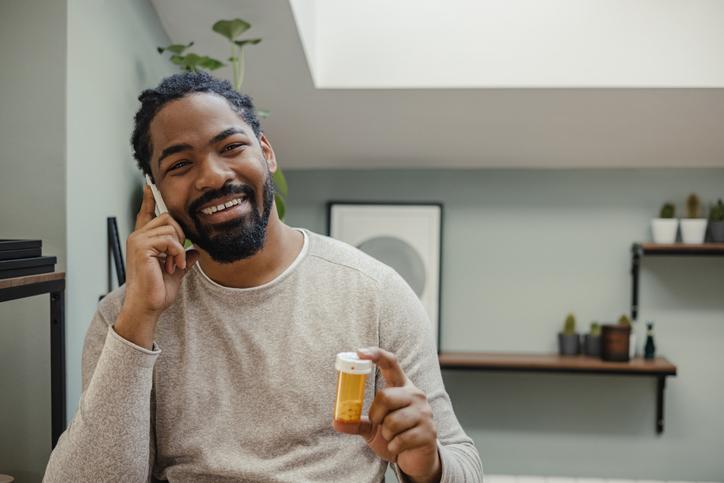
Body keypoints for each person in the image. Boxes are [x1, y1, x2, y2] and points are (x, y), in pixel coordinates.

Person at [43, 72, 483, 483]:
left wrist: (429, 465)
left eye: (231, 147)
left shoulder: (375, 293)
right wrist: (139, 317)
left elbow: (461, 460)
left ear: (266, 153)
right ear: (154, 193)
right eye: (180, 165)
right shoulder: (124, 317)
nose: (213, 176)